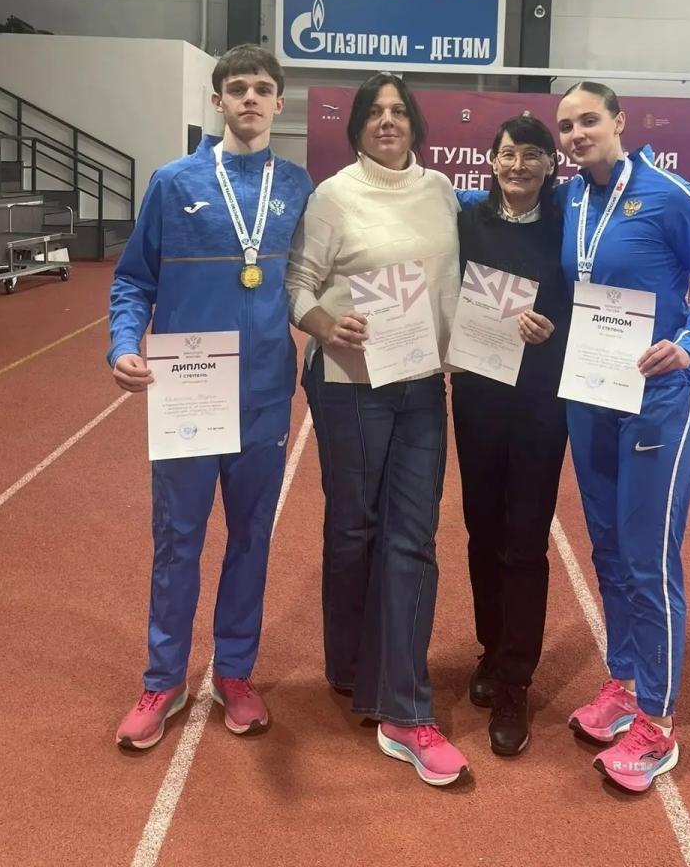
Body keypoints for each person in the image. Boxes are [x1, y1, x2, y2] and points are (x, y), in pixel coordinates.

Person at [108, 44, 312, 750]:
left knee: (251, 540)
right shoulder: (173, 182)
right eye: (237, 88)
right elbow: (133, 279)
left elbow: (321, 277)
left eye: (262, 88)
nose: (250, 98)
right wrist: (123, 344)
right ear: (218, 100)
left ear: (279, 103)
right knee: (178, 541)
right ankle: (163, 679)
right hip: (189, 391)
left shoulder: (298, 186)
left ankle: (234, 672)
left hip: (264, 396)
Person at [285, 73, 468, 788]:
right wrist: (327, 323)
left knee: (412, 536)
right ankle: (349, 662)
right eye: (374, 112)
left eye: (398, 111)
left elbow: (466, 278)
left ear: (414, 123)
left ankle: (405, 708)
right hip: (349, 386)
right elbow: (297, 284)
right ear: (357, 125)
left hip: (420, 385)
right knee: (354, 529)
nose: (387, 121)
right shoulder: (333, 196)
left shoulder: (441, 191)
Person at [557, 81, 690, 792]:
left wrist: (688, 346)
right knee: (607, 548)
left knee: (649, 557)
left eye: (588, 121)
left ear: (619, 122)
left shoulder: (668, 194)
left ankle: (657, 723)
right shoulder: (571, 198)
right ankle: (626, 681)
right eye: (566, 125)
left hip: (657, 397)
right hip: (592, 391)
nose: (576, 134)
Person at [451, 115, 571, 758]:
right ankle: (491, 649)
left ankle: (515, 681)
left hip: (541, 402)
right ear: (491, 162)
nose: (518, 165)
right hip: (477, 396)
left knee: (525, 540)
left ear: (550, 164)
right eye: (507, 154)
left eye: (531, 155)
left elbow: (586, 300)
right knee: (482, 531)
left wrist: (555, 328)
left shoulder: (566, 226)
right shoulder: (467, 222)